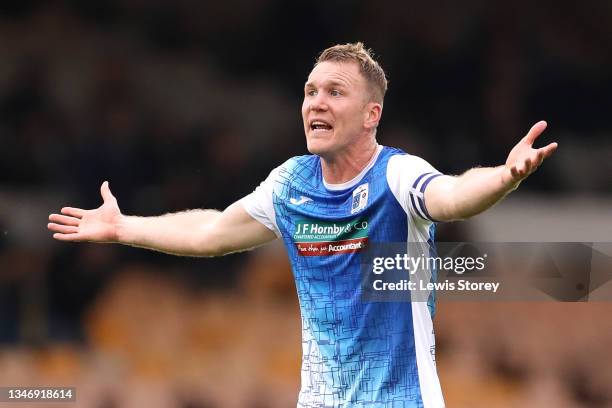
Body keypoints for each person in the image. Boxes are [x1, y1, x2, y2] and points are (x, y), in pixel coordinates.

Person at [48, 42, 557, 407]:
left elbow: (452, 197)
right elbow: (211, 233)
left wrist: (503, 178)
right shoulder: (290, 183)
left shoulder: (397, 174)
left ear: (369, 115)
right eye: (311, 91)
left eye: (335, 92)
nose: (316, 102)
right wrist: (122, 228)